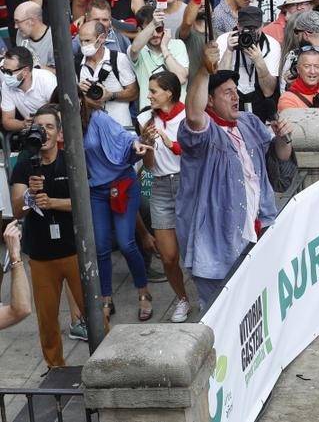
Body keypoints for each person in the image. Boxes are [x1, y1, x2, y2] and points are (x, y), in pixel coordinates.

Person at [178, 42, 297, 307]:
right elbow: (194, 115)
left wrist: (282, 139)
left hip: (259, 235)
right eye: (226, 93)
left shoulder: (249, 122)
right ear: (210, 100)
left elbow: (280, 171)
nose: (235, 97)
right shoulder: (204, 134)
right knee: (224, 319)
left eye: (235, 91)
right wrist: (203, 71)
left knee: (263, 310)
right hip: (218, 247)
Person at [9, 106, 88, 362]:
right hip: (42, 255)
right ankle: (55, 372)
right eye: (39, 127)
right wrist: (30, 196)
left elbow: (84, 202)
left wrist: (52, 202)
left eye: (50, 127)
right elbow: (17, 210)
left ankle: (104, 367)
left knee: (93, 313)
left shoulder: (72, 159)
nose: (44, 132)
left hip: (75, 250)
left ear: (59, 133)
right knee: (47, 320)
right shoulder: (24, 162)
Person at [77, 77, 155, 320]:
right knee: (100, 247)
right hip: (95, 191)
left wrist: (137, 145)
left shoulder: (98, 118)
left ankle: (144, 293)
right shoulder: (62, 127)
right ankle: (106, 298)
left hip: (121, 184)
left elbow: (125, 138)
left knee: (125, 242)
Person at [137, 71, 193, 322]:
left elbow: (195, 151)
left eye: (153, 91)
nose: (149, 95)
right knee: (169, 257)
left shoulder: (188, 115)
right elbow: (148, 165)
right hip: (160, 186)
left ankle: (209, 294)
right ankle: (182, 299)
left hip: (188, 184)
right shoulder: (145, 119)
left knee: (196, 249)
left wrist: (172, 145)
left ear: (169, 92)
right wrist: (146, 144)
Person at [215, 5, 281, 121]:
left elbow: (268, 91)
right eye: (246, 28)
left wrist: (259, 61)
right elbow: (219, 84)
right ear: (238, 25)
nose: (250, 32)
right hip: (231, 101)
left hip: (259, 103)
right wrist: (229, 51)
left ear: (262, 26)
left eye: (254, 28)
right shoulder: (224, 40)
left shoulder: (271, 45)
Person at [76, 19, 138, 129]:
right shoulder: (76, 63)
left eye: (88, 41)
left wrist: (110, 95)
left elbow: (134, 93)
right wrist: (77, 91)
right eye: (81, 41)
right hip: (90, 128)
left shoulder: (118, 59)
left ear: (102, 38)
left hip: (119, 127)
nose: (83, 45)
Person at [1, 47, 57, 134]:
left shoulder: (47, 80)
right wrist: (23, 124)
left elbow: (59, 113)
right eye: (3, 70)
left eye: (9, 72)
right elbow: (7, 121)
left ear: (25, 71)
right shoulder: (6, 86)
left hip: (54, 130)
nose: (5, 75)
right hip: (31, 132)